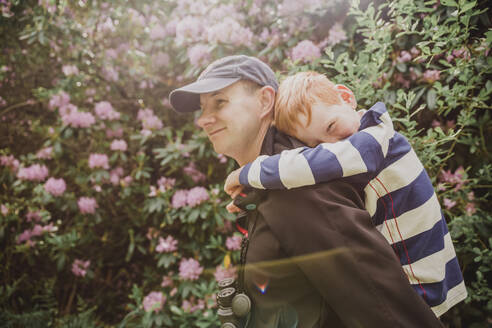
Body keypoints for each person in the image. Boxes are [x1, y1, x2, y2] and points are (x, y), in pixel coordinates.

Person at [169, 55, 443, 327]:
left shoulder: (297, 190)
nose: (204, 120)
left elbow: (388, 312)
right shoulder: (273, 183)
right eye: (202, 108)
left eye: (220, 102)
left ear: (265, 101)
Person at [223, 71, 467, 318]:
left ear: (346, 97)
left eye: (331, 126)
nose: (331, 145)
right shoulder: (363, 146)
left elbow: (310, 165)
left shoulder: (373, 140)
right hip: (427, 276)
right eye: (316, 145)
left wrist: (248, 173)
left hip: (422, 288)